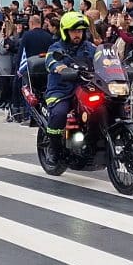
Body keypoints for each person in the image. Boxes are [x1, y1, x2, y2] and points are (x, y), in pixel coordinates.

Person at [44, 11, 97, 162]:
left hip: (85, 88)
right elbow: (51, 61)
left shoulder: (89, 47)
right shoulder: (56, 47)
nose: (77, 34)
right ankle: (54, 150)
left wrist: (118, 66)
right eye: (74, 31)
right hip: (61, 90)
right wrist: (60, 68)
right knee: (59, 113)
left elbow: (102, 58)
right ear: (65, 31)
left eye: (80, 31)